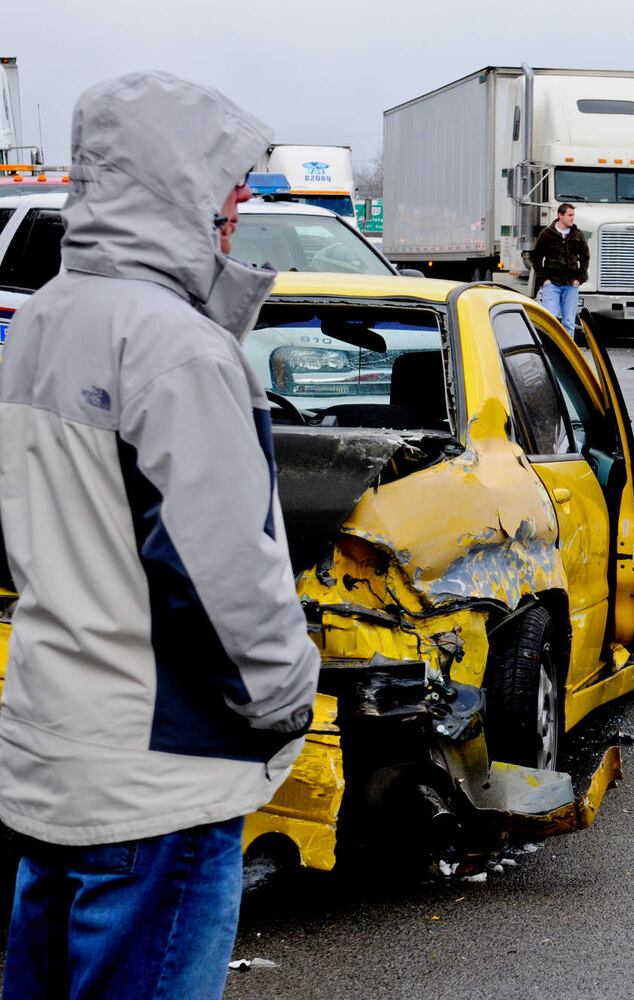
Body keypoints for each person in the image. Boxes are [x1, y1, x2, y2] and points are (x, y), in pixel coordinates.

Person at [0, 72, 319, 999]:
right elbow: (219, 572)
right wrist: (287, 698)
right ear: (172, 181)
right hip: (161, 777)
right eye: (225, 185)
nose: (236, 206)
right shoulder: (174, 347)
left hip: (57, 751)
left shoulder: (44, 321)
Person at [533, 203, 590, 336]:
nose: (572, 218)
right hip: (551, 284)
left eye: (573, 215)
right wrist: (544, 279)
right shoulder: (547, 234)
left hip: (571, 284)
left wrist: (579, 279)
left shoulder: (577, 234)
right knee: (550, 320)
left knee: (569, 322)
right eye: (569, 215)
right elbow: (536, 258)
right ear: (560, 215)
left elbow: (585, 257)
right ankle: (549, 352)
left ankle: (567, 355)